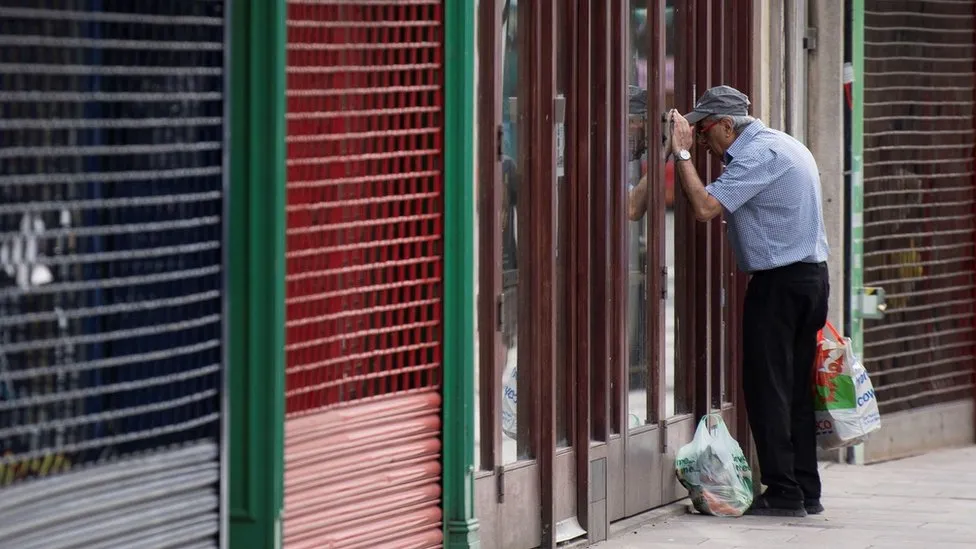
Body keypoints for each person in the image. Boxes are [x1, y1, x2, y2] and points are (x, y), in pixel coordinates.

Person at [668, 85, 830, 517]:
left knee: (768, 389)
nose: (700, 139)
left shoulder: (760, 156)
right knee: (794, 389)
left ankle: (783, 491)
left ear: (726, 125)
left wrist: (681, 156)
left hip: (781, 283)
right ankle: (804, 490)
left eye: (703, 130)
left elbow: (704, 207)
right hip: (808, 279)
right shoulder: (782, 144)